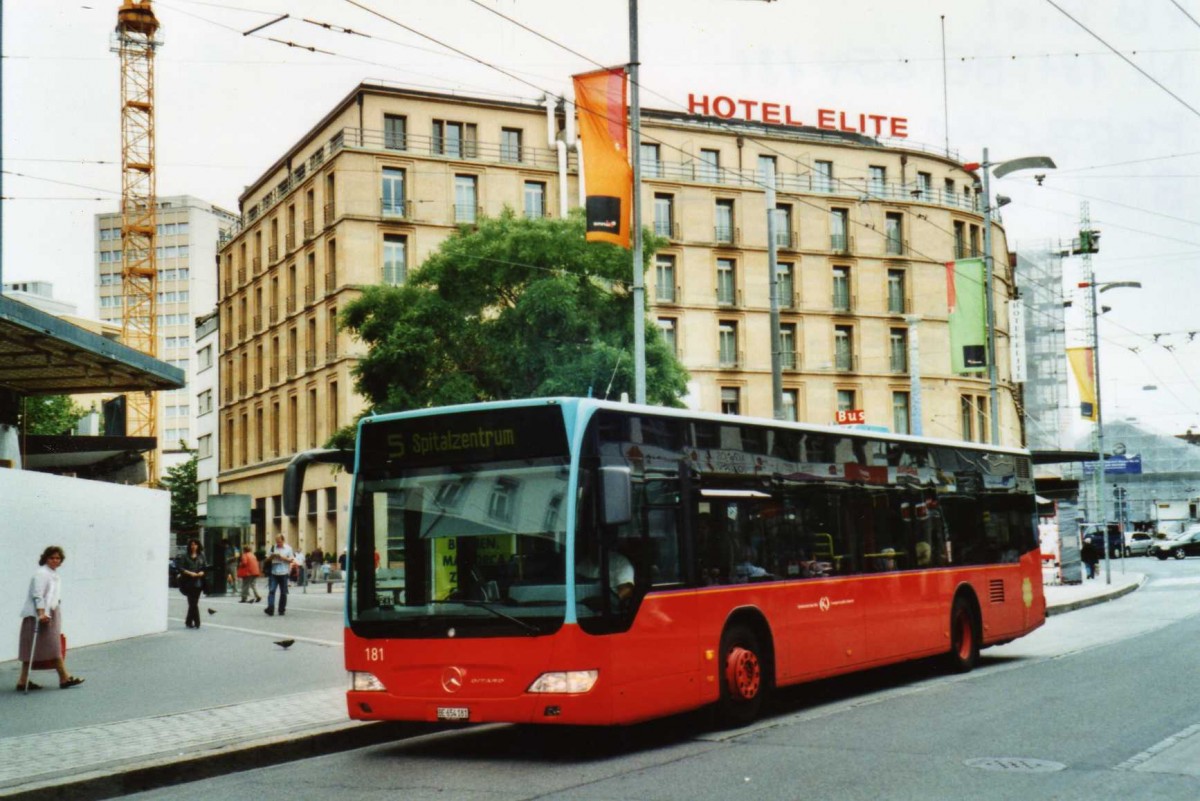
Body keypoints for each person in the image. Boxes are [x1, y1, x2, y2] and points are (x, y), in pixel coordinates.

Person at [16, 546, 84, 691]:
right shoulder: (41, 574)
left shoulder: (53, 574)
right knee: (49, 646)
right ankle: (64, 678)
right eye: (52, 558)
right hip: (39, 615)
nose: (55, 560)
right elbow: (37, 595)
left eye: (58, 558)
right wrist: (41, 613)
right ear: (45, 558)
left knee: (45, 647)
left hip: (51, 612)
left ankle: (23, 681)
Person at [178, 538, 208, 629]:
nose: (193, 546)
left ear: (198, 545)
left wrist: (202, 572)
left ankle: (188, 621)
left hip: (198, 582)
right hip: (188, 581)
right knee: (192, 602)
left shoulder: (201, 555)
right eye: (192, 544)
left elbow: (205, 567)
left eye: (195, 544)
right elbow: (180, 568)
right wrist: (190, 573)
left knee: (194, 602)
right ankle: (197, 622)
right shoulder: (185, 556)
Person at [264, 534, 296, 617]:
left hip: (284, 573)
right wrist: (271, 557)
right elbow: (266, 559)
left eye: (280, 542)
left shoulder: (288, 548)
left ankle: (281, 609)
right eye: (277, 542)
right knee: (271, 591)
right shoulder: (273, 547)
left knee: (283, 592)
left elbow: (291, 560)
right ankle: (270, 608)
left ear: (283, 540)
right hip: (274, 572)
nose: (278, 543)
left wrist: (283, 558)